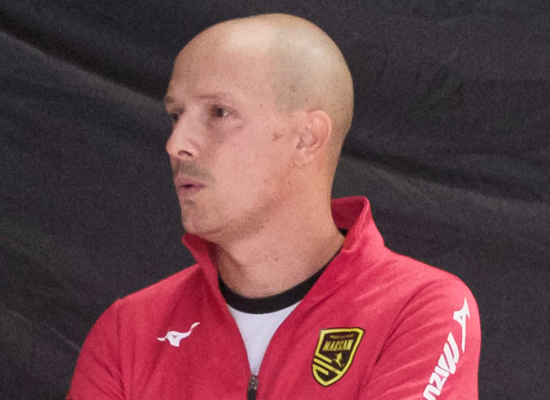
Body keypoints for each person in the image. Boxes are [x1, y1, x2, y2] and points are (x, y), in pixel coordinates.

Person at [67, 13, 481, 400]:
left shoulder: (419, 309)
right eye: (176, 115)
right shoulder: (128, 330)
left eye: (219, 112)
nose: (176, 144)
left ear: (307, 138)